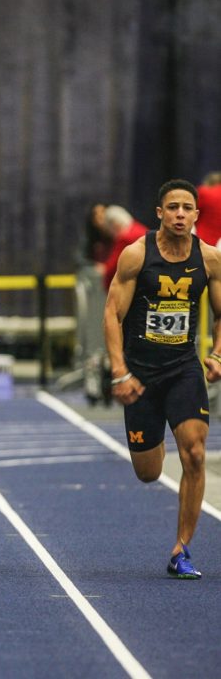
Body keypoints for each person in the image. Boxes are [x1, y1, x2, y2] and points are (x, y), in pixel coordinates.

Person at [103, 179, 221, 579]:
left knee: (194, 453)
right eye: (173, 207)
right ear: (159, 213)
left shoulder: (209, 259)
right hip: (140, 373)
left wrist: (218, 353)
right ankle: (152, 435)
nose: (180, 215)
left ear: (197, 215)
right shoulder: (137, 256)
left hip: (184, 369)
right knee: (148, 472)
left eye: (187, 208)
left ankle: (181, 550)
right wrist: (119, 370)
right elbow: (112, 315)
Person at [101, 205, 148, 290]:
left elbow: (111, 269)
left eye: (109, 230)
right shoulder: (141, 229)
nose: (111, 235)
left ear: (114, 224)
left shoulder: (125, 238)